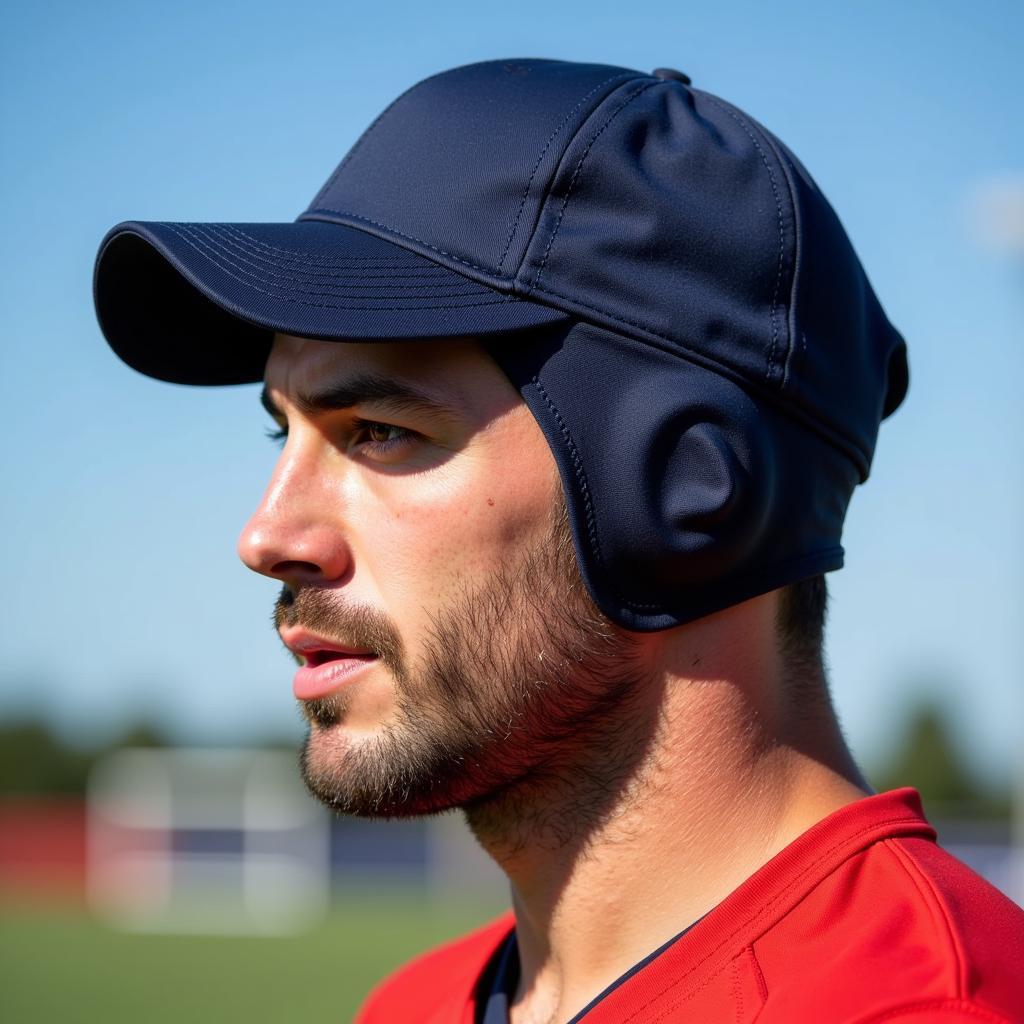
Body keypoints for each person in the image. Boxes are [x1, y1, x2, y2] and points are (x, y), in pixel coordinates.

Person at [93, 59, 1024, 1024]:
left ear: (683, 496)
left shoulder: (915, 1007)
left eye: (379, 431)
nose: (265, 535)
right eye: (281, 431)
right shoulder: (412, 1006)